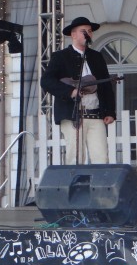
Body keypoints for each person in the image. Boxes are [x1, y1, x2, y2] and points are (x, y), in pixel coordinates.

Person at [41, 16, 116, 164]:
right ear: (73, 34)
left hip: (95, 114)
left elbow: (106, 86)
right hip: (73, 115)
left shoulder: (97, 57)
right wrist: (70, 92)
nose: (88, 34)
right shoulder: (60, 57)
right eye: (84, 31)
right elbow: (46, 81)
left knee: (101, 158)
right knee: (76, 158)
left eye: (90, 31)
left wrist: (110, 111)